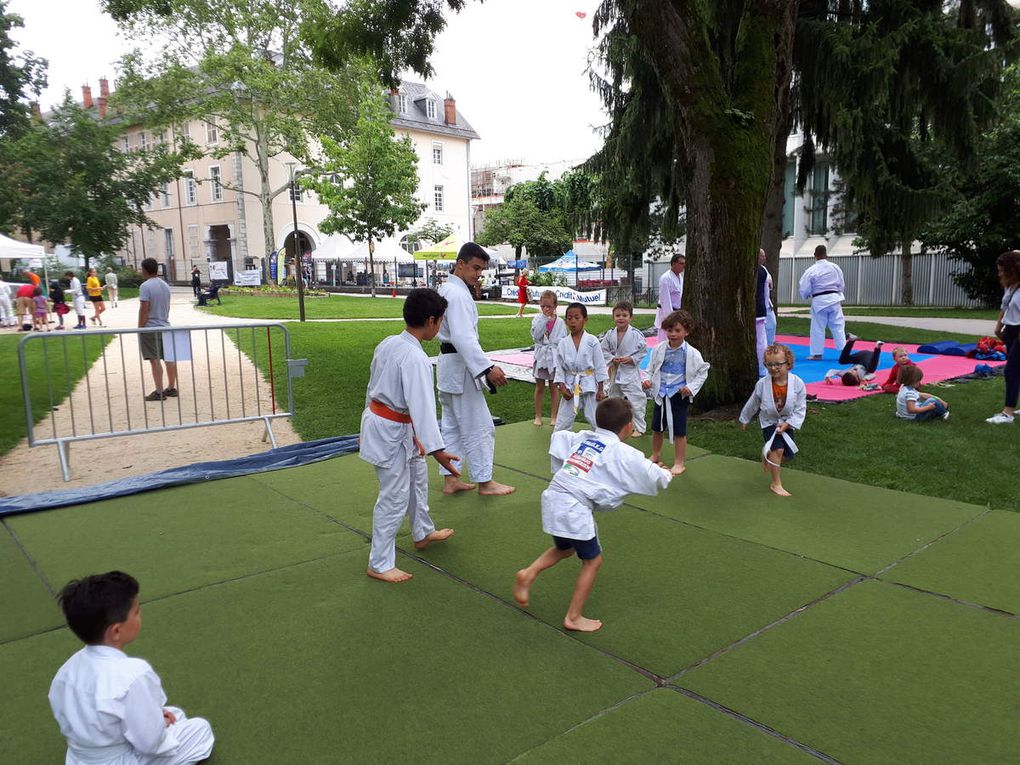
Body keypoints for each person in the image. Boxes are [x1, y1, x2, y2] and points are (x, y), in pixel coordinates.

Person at [513, 397, 672, 632]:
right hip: (574, 507)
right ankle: (573, 617)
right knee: (592, 561)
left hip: (555, 496)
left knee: (565, 548)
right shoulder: (621, 450)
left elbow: (560, 438)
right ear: (628, 427)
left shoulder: (584, 437)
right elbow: (645, 469)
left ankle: (528, 573)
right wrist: (664, 474)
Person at [49, 571, 215, 765]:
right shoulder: (133, 674)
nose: (140, 615)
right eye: (136, 612)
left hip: (82, 758)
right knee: (200, 730)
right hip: (121, 760)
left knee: (173, 713)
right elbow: (151, 744)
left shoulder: (66, 671)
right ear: (117, 631)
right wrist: (160, 725)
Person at [360, 289, 459, 583]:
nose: (440, 326)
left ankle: (422, 531)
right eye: (440, 320)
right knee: (394, 496)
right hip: (389, 428)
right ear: (430, 321)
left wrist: (418, 436)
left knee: (417, 479)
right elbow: (423, 406)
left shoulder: (390, 343)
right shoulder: (414, 358)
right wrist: (437, 449)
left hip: (393, 424)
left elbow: (371, 386)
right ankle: (379, 563)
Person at [436, 242, 515, 496]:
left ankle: (451, 479)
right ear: (460, 264)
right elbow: (463, 338)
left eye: (481, 270)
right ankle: (485, 482)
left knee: (451, 425)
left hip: (448, 367)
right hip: (461, 367)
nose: (478, 274)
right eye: (475, 268)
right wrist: (487, 368)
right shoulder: (457, 294)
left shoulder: (446, 288)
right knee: (480, 426)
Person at [644, 309, 710, 475]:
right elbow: (650, 368)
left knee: (679, 430)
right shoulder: (659, 349)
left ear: (686, 332)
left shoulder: (692, 353)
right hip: (661, 395)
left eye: (678, 330)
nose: (673, 334)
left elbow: (703, 372)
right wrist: (647, 380)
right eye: (670, 330)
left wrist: (691, 388)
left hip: (678, 395)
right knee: (657, 427)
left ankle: (679, 462)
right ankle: (655, 455)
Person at [739, 343, 807, 497]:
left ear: (788, 363)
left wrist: (789, 423)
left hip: (788, 421)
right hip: (769, 421)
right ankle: (776, 484)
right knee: (778, 449)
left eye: (778, 364)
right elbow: (753, 403)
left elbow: (800, 408)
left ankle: (768, 456)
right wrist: (745, 419)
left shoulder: (798, 384)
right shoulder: (762, 384)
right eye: (769, 364)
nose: (773, 368)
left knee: (787, 455)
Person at [554, 302, 609, 432]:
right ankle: (558, 450)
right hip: (570, 385)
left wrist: (601, 389)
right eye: (569, 318)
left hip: (590, 383)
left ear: (585, 320)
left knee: (596, 419)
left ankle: (603, 448)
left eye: (577, 318)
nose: (573, 321)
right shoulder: (563, 343)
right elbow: (559, 367)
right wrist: (561, 387)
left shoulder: (592, 341)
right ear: (566, 320)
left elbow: (600, 365)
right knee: (562, 422)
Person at [600, 300, 649, 435]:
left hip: (630, 372)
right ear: (613, 317)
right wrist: (611, 359)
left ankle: (639, 427)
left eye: (624, 315)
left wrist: (631, 359)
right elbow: (603, 350)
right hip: (616, 371)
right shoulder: (610, 334)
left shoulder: (636, 334)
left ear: (630, 317)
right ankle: (617, 425)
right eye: (618, 315)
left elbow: (643, 351)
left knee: (636, 400)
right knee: (614, 398)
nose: (621, 318)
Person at [987, 250, 1020, 425]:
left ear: (1013, 270)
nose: (999, 274)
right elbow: (1004, 306)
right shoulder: (1011, 285)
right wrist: (999, 327)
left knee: (1011, 370)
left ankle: (1008, 413)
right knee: (1017, 369)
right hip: (1011, 330)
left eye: (1002, 270)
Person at [138, 257, 177, 402]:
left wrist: (140, 327)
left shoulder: (145, 286)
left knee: (154, 359)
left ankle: (159, 391)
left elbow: (144, 309)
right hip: (165, 324)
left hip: (151, 327)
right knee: (169, 358)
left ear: (145, 270)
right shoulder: (165, 285)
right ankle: (171, 387)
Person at [798, 244, 846, 360]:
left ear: (815, 255)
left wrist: (806, 295)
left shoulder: (811, 270)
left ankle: (817, 353)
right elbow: (841, 284)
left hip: (819, 301)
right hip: (834, 299)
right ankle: (845, 353)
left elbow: (804, 287)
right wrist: (838, 292)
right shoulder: (835, 267)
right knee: (838, 326)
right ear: (826, 255)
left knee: (818, 327)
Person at [531, 290, 566, 426]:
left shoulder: (561, 322)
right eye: (543, 306)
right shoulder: (537, 319)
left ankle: (554, 416)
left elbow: (562, 340)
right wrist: (544, 321)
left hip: (554, 357)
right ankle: (538, 415)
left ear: (555, 305)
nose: (546, 309)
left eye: (549, 306)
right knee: (539, 386)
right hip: (541, 356)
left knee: (553, 387)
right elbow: (536, 336)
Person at [654, 253, 685, 341]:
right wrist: (670, 318)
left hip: (677, 312)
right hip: (666, 314)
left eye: (684, 264)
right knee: (664, 341)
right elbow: (665, 300)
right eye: (681, 263)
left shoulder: (680, 277)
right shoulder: (665, 278)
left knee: (675, 341)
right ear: (673, 264)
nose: (683, 266)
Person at [755, 249, 771, 375]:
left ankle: (761, 367)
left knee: (760, 340)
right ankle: (762, 368)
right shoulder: (763, 270)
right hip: (759, 309)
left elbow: (766, 292)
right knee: (761, 340)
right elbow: (766, 293)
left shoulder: (763, 270)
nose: (764, 258)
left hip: (757, 310)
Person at [760, 248, 777, 345]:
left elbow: (770, 284)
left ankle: (769, 346)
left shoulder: (764, 269)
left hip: (767, 303)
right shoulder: (757, 270)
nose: (764, 258)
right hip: (760, 302)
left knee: (772, 324)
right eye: (762, 256)